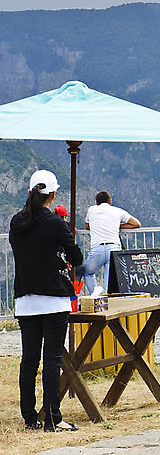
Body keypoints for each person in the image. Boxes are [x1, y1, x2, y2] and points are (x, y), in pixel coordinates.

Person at [10, 170, 83, 432]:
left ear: (30, 193)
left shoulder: (16, 222)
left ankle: (29, 418)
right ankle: (53, 419)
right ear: (53, 195)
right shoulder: (54, 222)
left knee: (29, 360)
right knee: (51, 359)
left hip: (25, 301)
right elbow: (77, 257)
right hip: (54, 300)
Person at [82, 190, 141, 294]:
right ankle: (107, 299)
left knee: (87, 272)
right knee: (109, 280)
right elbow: (136, 224)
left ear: (96, 202)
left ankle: (95, 295)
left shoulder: (91, 210)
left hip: (97, 249)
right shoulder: (117, 211)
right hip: (114, 248)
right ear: (110, 201)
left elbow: (87, 226)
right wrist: (118, 226)